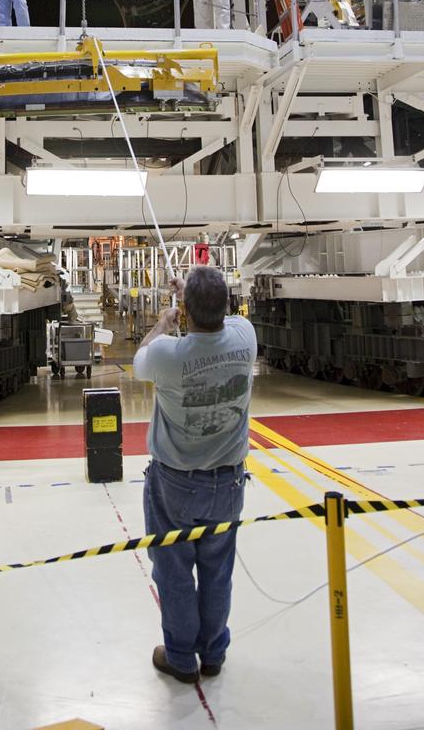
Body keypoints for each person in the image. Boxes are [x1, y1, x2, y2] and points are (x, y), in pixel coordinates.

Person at [133, 266, 257, 683]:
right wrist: (194, 298)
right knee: (218, 570)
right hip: (229, 481)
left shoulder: (167, 355)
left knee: (173, 570)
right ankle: (214, 651)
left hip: (175, 483)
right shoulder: (245, 337)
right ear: (228, 304)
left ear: (185, 309)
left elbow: (140, 361)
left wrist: (164, 323)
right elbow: (223, 317)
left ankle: (182, 658)